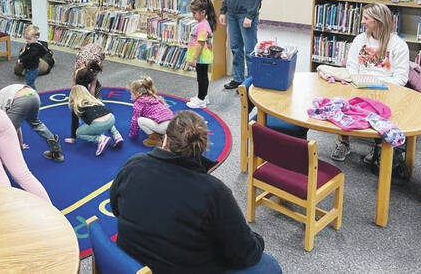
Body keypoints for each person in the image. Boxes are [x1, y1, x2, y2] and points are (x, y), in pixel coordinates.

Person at [110, 111, 280, 274]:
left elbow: (116, 209)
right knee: (269, 265)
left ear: (166, 140)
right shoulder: (213, 191)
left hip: (127, 265)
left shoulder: (134, 164)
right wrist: (256, 239)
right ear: (202, 148)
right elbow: (246, 254)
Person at [332, 3, 410, 162]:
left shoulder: (398, 45)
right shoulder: (360, 40)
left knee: (381, 109)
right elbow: (351, 67)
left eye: (366, 18)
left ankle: (378, 147)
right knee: (341, 102)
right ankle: (344, 143)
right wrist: (359, 82)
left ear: (378, 21)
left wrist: (377, 84)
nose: (362, 21)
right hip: (359, 86)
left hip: (385, 90)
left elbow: (401, 78)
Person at [0, 84, 64, 162]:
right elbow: (17, 125)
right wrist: (20, 144)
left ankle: (4, 164)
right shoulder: (2, 97)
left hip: (20, 99)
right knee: (36, 123)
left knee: (6, 133)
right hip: (33, 95)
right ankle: (57, 152)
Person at [65, 85, 123, 156]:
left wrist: (73, 137)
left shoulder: (76, 105)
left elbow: (75, 122)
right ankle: (116, 135)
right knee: (105, 118)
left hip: (99, 124)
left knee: (79, 132)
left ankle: (99, 139)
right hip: (111, 119)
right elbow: (104, 112)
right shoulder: (94, 100)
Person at [186, 0, 217, 109]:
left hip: (202, 56)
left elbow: (200, 43)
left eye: (194, 13)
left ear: (203, 12)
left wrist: (194, 58)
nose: (193, 15)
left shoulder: (203, 26)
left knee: (201, 78)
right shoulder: (202, 23)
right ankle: (204, 96)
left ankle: (201, 99)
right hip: (202, 55)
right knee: (202, 77)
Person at [128, 76, 173, 147]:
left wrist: (133, 134)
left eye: (132, 93)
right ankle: (164, 134)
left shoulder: (139, 102)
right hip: (172, 123)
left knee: (140, 120)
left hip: (163, 127)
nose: (131, 95)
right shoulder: (153, 97)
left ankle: (155, 139)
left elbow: (135, 120)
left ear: (139, 93)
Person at [18, 25, 48, 90]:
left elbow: (30, 55)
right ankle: (31, 93)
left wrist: (22, 59)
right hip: (28, 67)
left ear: (36, 37)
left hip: (32, 69)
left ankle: (34, 93)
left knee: (30, 83)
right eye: (26, 38)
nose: (27, 40)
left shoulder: (35, 47)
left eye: (29, 39)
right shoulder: (30, 44)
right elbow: (26, 52)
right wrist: (21, 57)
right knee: (28, 81)